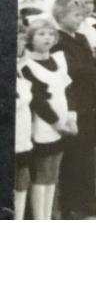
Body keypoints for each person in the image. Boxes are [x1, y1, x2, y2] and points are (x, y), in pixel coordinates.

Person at [52, 0, 96, 219]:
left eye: (81, 15)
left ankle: (88, 198)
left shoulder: (81, 37)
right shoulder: (58, 40)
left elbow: (89, 62)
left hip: (89, 100)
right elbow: (72, 70)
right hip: (73, 101)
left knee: (86, 153)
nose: (80, 19)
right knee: (73, 156)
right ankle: (72, 205)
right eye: (75, 15)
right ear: (61, 16)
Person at [21, 18, 76, 219]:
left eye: (51, 34)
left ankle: (49, 216)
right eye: (41, 34)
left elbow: (67, 90)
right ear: (30, 38)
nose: (47, 38)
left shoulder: (58, 60)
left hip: (62, 124)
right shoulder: (27, 66)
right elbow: (39, 101)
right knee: (42, 174)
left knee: (53, 174)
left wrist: (70, 118)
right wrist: (57, 123)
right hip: (44, 125)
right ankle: (40, 218)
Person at [14, 22, 32, 219]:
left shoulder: (20, 65)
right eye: (19, 39)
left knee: (22, 178)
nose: (22, 43)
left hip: (23, 135)